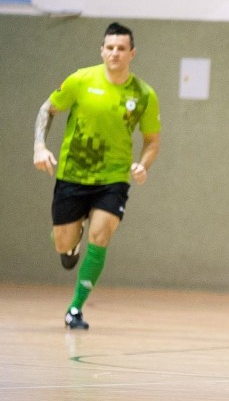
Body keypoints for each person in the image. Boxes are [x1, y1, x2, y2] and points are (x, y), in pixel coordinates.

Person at [33, 22, 161, 330]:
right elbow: (48, 109)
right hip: (73, 174)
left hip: (113, 179)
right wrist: (39, 146)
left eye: (121, 48)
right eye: (110, 47)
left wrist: (143, 164)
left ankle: (75, 308)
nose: (115, 53)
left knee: (100, 235)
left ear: (132, 53)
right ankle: (67, 244)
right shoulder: (80, 80)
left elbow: (152, 140)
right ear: (101, 51)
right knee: (64, 246)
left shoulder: (143, 94)